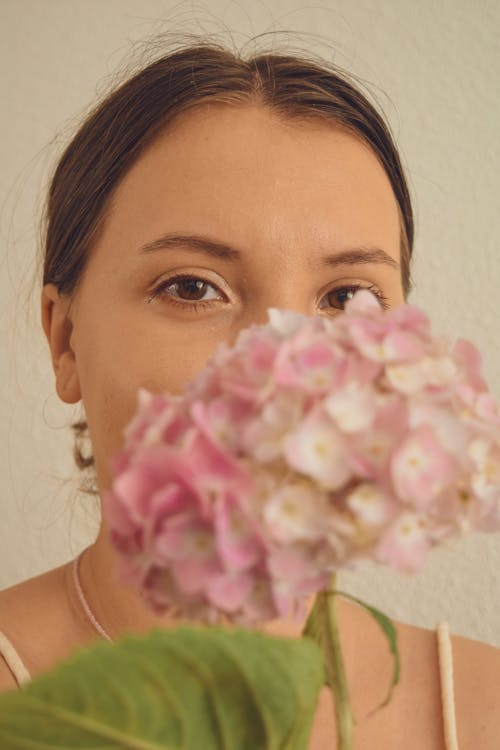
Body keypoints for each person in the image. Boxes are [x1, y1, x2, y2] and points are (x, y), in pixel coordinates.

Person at [0, 36, 498, 748]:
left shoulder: (485, 710)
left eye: (345, 296)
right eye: (192, 287)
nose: (281, 364)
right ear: (65, 340)